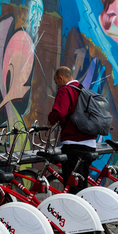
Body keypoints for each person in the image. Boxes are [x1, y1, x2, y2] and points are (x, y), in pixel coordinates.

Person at [48, 66, 97, 194]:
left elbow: (59, 113)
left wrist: (50, 119)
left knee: (72, 189)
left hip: (74, 145)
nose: (57, 86)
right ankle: (85, 211)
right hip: (90, 144)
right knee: (81, 185)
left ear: (61, 78)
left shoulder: (65, 90)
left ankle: (76, 213)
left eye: (56, 82)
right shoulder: (83, 90)